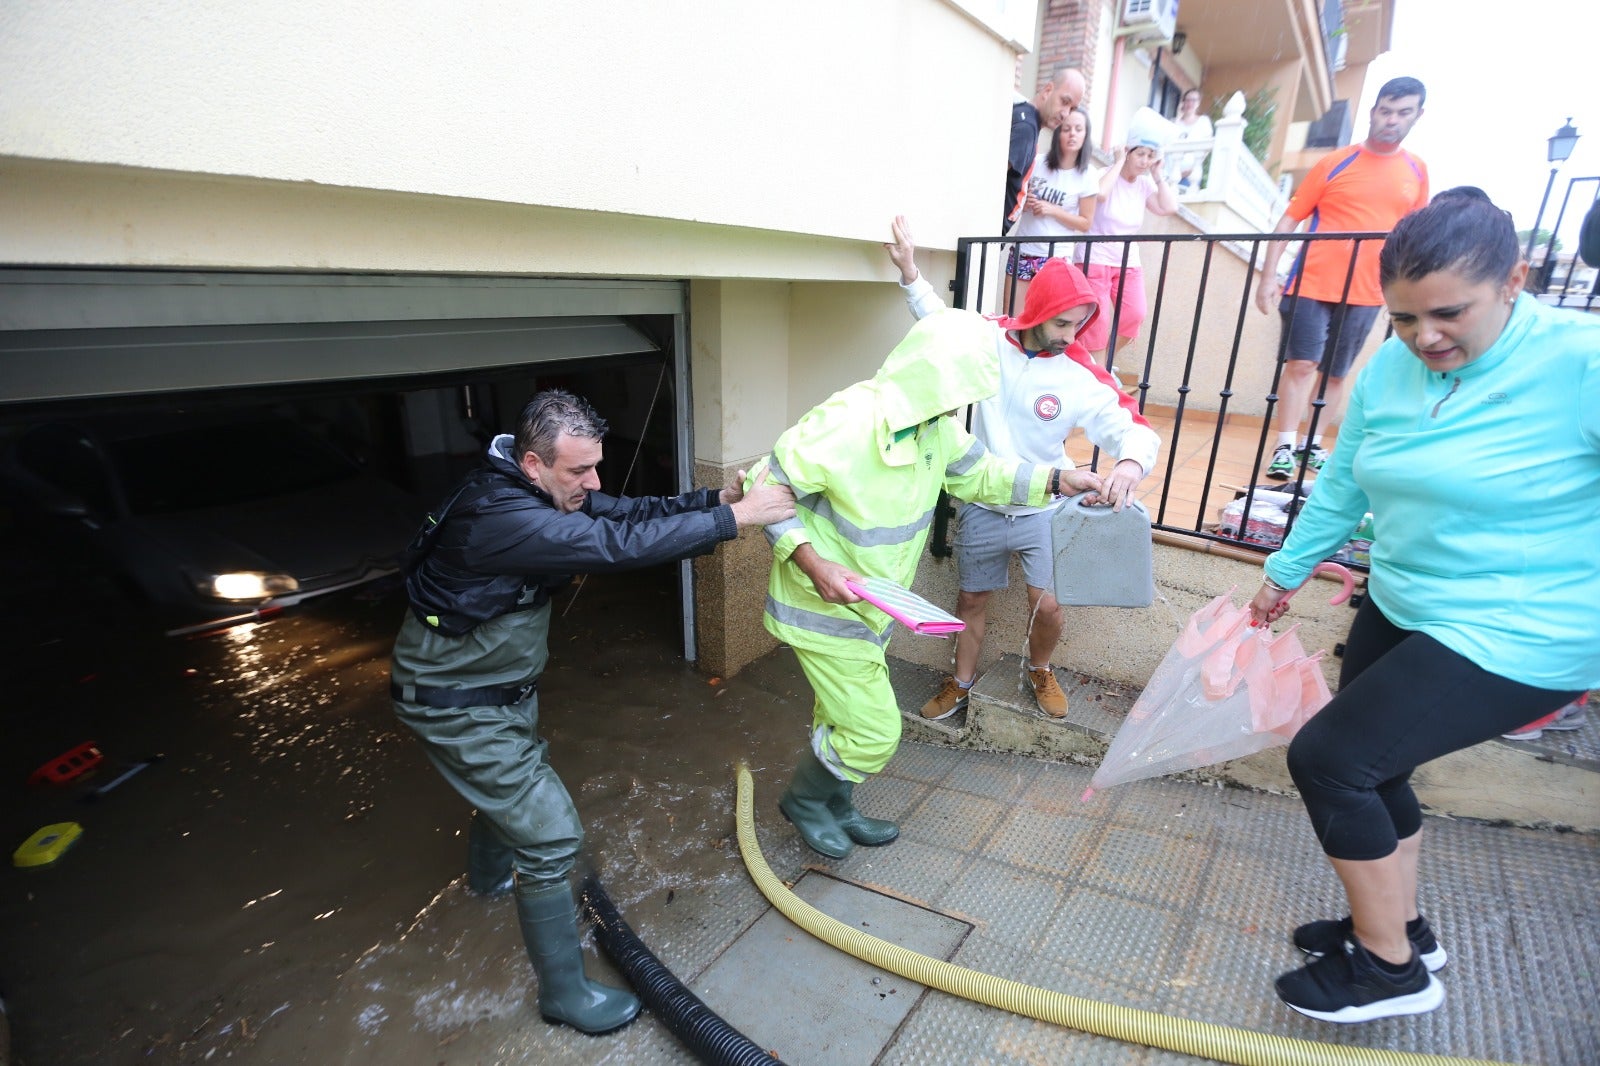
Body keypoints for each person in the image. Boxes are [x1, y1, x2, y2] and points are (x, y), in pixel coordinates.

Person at [1247, 187, 1600, 1023]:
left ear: (1513, 280)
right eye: (1402, 318)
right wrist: (1284, 571)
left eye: (1447, 314)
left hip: (1523, 627)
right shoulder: (1394, 368)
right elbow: (1343, 480)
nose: (1422, 338)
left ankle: (1390, 970)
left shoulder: (1579, 361)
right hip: (1404, 599)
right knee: (1379, 767)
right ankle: (1399, 922)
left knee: (1331, 760)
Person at [390, 389, 795, 1035]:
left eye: (596, 465)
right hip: (456, 703)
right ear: (531, 463)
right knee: (551, 837)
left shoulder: (539, 488)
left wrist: (712, 501)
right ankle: (565, 996)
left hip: (496, 693)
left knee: (513, 795)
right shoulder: (504, 516)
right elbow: (615, 549)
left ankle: (488, 884)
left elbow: (625, 513)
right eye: (579, 470)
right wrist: (740, 519)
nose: (594, 481)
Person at [757, 310, 1106, 859]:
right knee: (873, 732)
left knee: (839, 716)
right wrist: (813, 564)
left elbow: (984, 472)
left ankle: (836, 803)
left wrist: (1060, 479)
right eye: (956, 391)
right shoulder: (848, 420)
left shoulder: (933, 426)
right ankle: (804, 802)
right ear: (931, 377)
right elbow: (765, 491)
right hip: (821, 606)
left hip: (873, 605)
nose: (958, 405)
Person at [885, 216, 1159, 721]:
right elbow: (939, 325)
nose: (1069, 335)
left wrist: (1130, 462)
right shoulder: (988, 337)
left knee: (1050, 604)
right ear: (1037, 312)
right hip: (983, 501)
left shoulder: (1080, 370)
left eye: (1078, 324)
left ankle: (1039, 669)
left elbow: (1131, 423)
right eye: (1062, 323)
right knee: (970, 601)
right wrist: (910, 273)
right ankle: (961, 681)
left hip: (1044, 505)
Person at [1254, 77, 1429, 482]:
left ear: (1417, 116)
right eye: (1385, 110)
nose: (1391, 120)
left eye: (1403, 112)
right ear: (1373, 112)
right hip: (1310, 284)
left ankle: (1312, 442)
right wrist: (1268, 276)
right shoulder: (1335, 163)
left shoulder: (1416, 170)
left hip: (1369, 290)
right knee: (1301, 364)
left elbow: (1416, 232)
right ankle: (1285, 445)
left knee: (1335, 372)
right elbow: (1289, 218)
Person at [1079, 128, 1180, 363]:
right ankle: (1097, 371)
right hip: (1095, 258)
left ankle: (1101, 363)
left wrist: (1158, 176)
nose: (1145, 161)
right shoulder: (1104, 174)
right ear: (1127, 152)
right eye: (1140, 154)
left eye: (1150, 156)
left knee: (1134, 314)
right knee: (1097, 321)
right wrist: (1118, 163)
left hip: (1128, 262)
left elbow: (1168, 207)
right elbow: (1100, 195)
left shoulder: (1144, 185)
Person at [1005, 106, 1099, 314]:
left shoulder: (1087, 175)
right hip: (1023, 249)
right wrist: (1025, 203)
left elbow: (1086, 223)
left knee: (1045, 319)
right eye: (1066, 129)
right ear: (1058, 133)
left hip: (1056, 258)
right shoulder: (1037, 162)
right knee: (1012, 318)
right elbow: (1015, 194)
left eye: (1078, 129)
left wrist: (1052, 210)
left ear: (1086, 135)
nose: (1072, 134)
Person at [1006, 66, 1087, 233]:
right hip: (984, 235)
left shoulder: (1026, 120)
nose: (1066, 114)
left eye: (1072, 109)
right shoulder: (1026, 128)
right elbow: (993, 181)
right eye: (1064, 102)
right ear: (1048, 90)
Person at [1170, 88, 1213, 191]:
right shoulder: (1174, 122)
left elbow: (1206, 149)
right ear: (1183, 102)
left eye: (1194, 100)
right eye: (1187, 100)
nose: (1190, 103)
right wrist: (1178, 116)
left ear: (1198, 103)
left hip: (1191, 174)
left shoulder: (1203, 122)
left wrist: (1191, 169)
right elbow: (1169, 139)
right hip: (1171, 172)